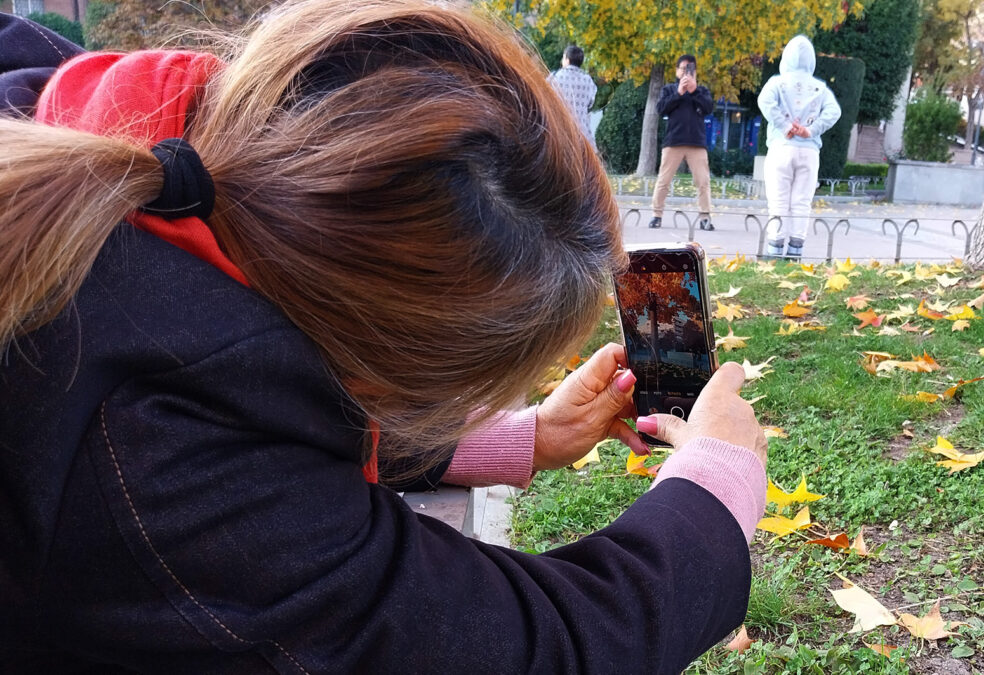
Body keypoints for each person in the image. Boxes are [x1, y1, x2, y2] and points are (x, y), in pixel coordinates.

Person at [0, 3, 767, 671]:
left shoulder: (111, 125)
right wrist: (713, 492)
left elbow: (261, 376)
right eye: (444, 392)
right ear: (374, 370)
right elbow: (515, 649)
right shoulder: (158, 448)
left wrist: (514, 438)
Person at [757, 35, 841, 261]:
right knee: (802, 201)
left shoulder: (777, 82)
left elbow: (764, 101)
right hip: (809, 151)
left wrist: (785, 126)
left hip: (781, 147)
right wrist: (811, 130)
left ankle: (775, 249)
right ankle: (796, 250)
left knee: (778, 200)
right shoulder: (820, 88)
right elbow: (834, 112)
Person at [649, 54, 714, 231]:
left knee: (703, 181)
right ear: (677, 71)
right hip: (673, 141)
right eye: (684, 69)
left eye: (690, 69)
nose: (687, 72)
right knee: (663, 180)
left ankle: (705, 217)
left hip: (697, 143)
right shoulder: (669, 89)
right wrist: (679, 93)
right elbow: (661, 109)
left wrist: (693, 91)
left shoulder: (702, 91)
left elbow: (708, 108)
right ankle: (656, 215)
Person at [547, 44, 597, 147]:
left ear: (567, 59)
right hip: (583, 136)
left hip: (559, 132)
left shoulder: (554, 77)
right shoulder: (588, 80)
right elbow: (590, 104)